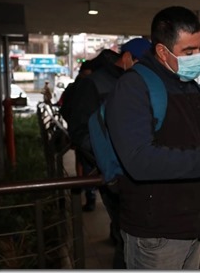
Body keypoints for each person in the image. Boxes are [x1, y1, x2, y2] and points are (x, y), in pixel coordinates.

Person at [104, 6, 200, 270]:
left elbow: (193, 145)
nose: (198, 58)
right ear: (162, 51)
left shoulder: (189, 85)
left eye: (199, 49)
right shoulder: (134, 87)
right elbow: (140, 161)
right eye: (188, 52)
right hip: (158, 235)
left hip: (193, 228)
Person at [68, 38, 152, 269]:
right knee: (125, 231)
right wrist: (108, 158)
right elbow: (79, 131)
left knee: (130, 231)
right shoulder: (93, 84)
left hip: (138, 167)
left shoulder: (139, 82)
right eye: (142, 63)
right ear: (126, 58)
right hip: (112, 171)